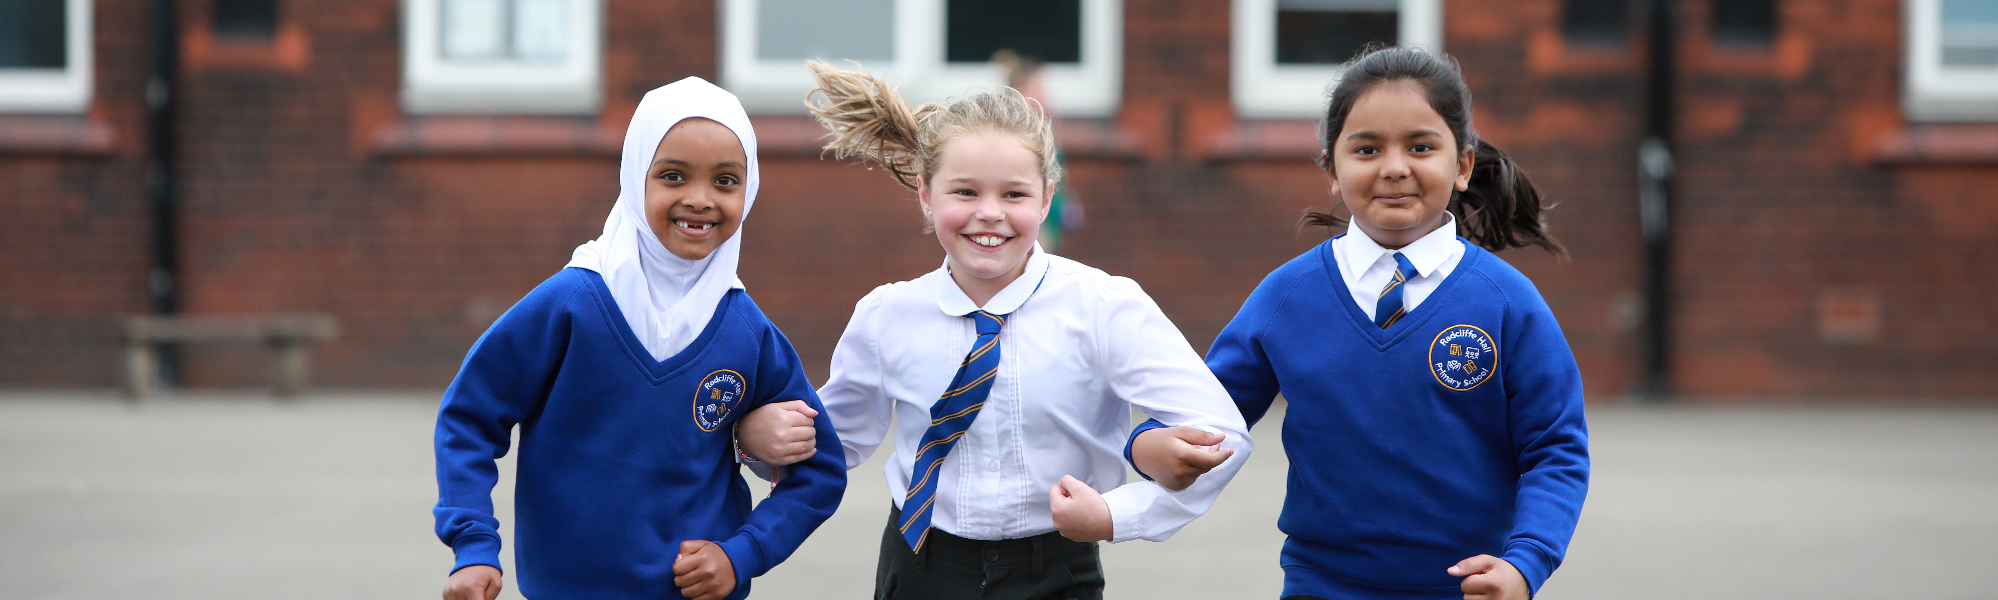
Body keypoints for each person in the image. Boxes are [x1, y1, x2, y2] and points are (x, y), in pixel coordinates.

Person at [737, 60, 1251, 600]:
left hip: (1056, 570)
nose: (988, 213)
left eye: (1013, 195)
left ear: (1047, 198)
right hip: (918, 567)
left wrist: (1117, 514)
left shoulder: (1105, 307)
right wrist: (755, 443)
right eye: (964, 192)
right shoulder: (886, 315)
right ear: (925, 195)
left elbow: (1226, 435)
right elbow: (833, 441)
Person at [1127, 46, 1588, 600]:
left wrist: (1525, 562)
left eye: (1420, 146)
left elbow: (1556, 450)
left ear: (1463, 166)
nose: (1394, 167)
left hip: (1467, 588)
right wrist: (1148, 443)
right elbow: (1205, 410)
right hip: (1321, 585)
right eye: (1367, 149)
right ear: (1331, 169)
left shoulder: (1508, 303)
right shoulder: (1287, 296)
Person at [431, 77, 846, 600]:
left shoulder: (749, 333)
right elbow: (469, 418)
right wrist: (473, 546)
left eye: (725, 181)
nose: (699, 199)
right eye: (673, 176)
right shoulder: (570, 304)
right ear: (634, 178)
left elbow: (821, 471)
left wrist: (743, 553)